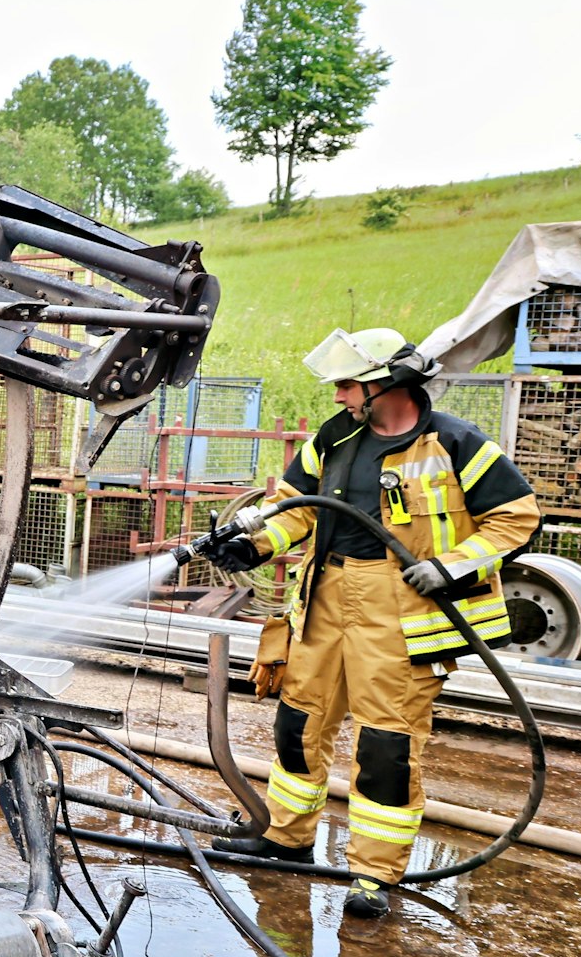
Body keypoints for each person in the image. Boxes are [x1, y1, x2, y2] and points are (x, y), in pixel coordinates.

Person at [200, 328, 540, 918]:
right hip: (326, 593)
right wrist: (255, 547)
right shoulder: (335, 438)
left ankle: (373, 874)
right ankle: (287, 837)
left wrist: (450, 568)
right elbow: (297, 509)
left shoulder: (456, 444)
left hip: (402, 607)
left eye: (348, 384)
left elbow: (517, 518)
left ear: (389, 383)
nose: (337, 396)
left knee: (387, 745)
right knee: (298, 722)